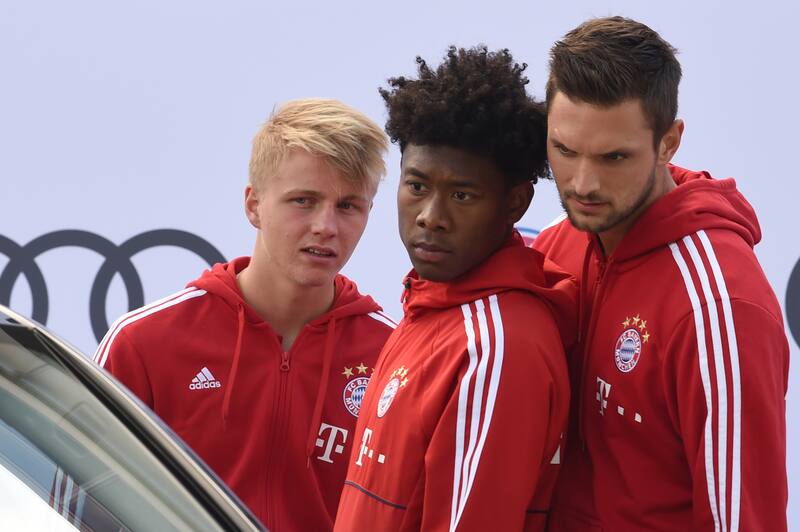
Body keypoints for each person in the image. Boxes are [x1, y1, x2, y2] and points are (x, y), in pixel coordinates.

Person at [534, 16, 790, 531]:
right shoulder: (557, 242)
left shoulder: (719, 307)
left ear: (669, 142)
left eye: (613, 157)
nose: (583, 183)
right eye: (564, 150)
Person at [93, 98, 397, 531]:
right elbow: (81, 506)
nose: (326, 226)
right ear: (254, 205)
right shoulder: (144, 341)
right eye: (304, 200)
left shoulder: (395, 358)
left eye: (348, 206)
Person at [334, 46, 576, 531]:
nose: (431, 217)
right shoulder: (430, 304)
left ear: (516, 203)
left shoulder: (497, 347)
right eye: (417, 186)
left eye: (462, 195)